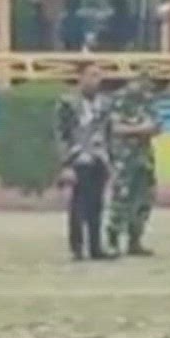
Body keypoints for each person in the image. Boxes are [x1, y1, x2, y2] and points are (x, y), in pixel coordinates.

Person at [55, 61, 115, 262]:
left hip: (99, 157)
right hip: (78, 158)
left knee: (97, 205)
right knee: (78, 205)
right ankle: (77, 247)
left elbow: (109, 133)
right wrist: (65, 164)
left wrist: (112, 160)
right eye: (91, 75)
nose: (95, 80)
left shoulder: (105, 103)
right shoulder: (68, 103)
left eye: (98, 75)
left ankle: (96, 246)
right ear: (80, 77)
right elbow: (61, 134)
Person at [104, 66, 163, 257]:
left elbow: (157, 126)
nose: (146, 86)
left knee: (144, 197)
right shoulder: (118, 100)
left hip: (144, 157)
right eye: (141, 81)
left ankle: (135, 240)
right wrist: (141, 129)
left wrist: (134, 129)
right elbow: (114, 128)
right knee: (121, 198)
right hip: (123, 157)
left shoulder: (148, 100)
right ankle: (113, 239)